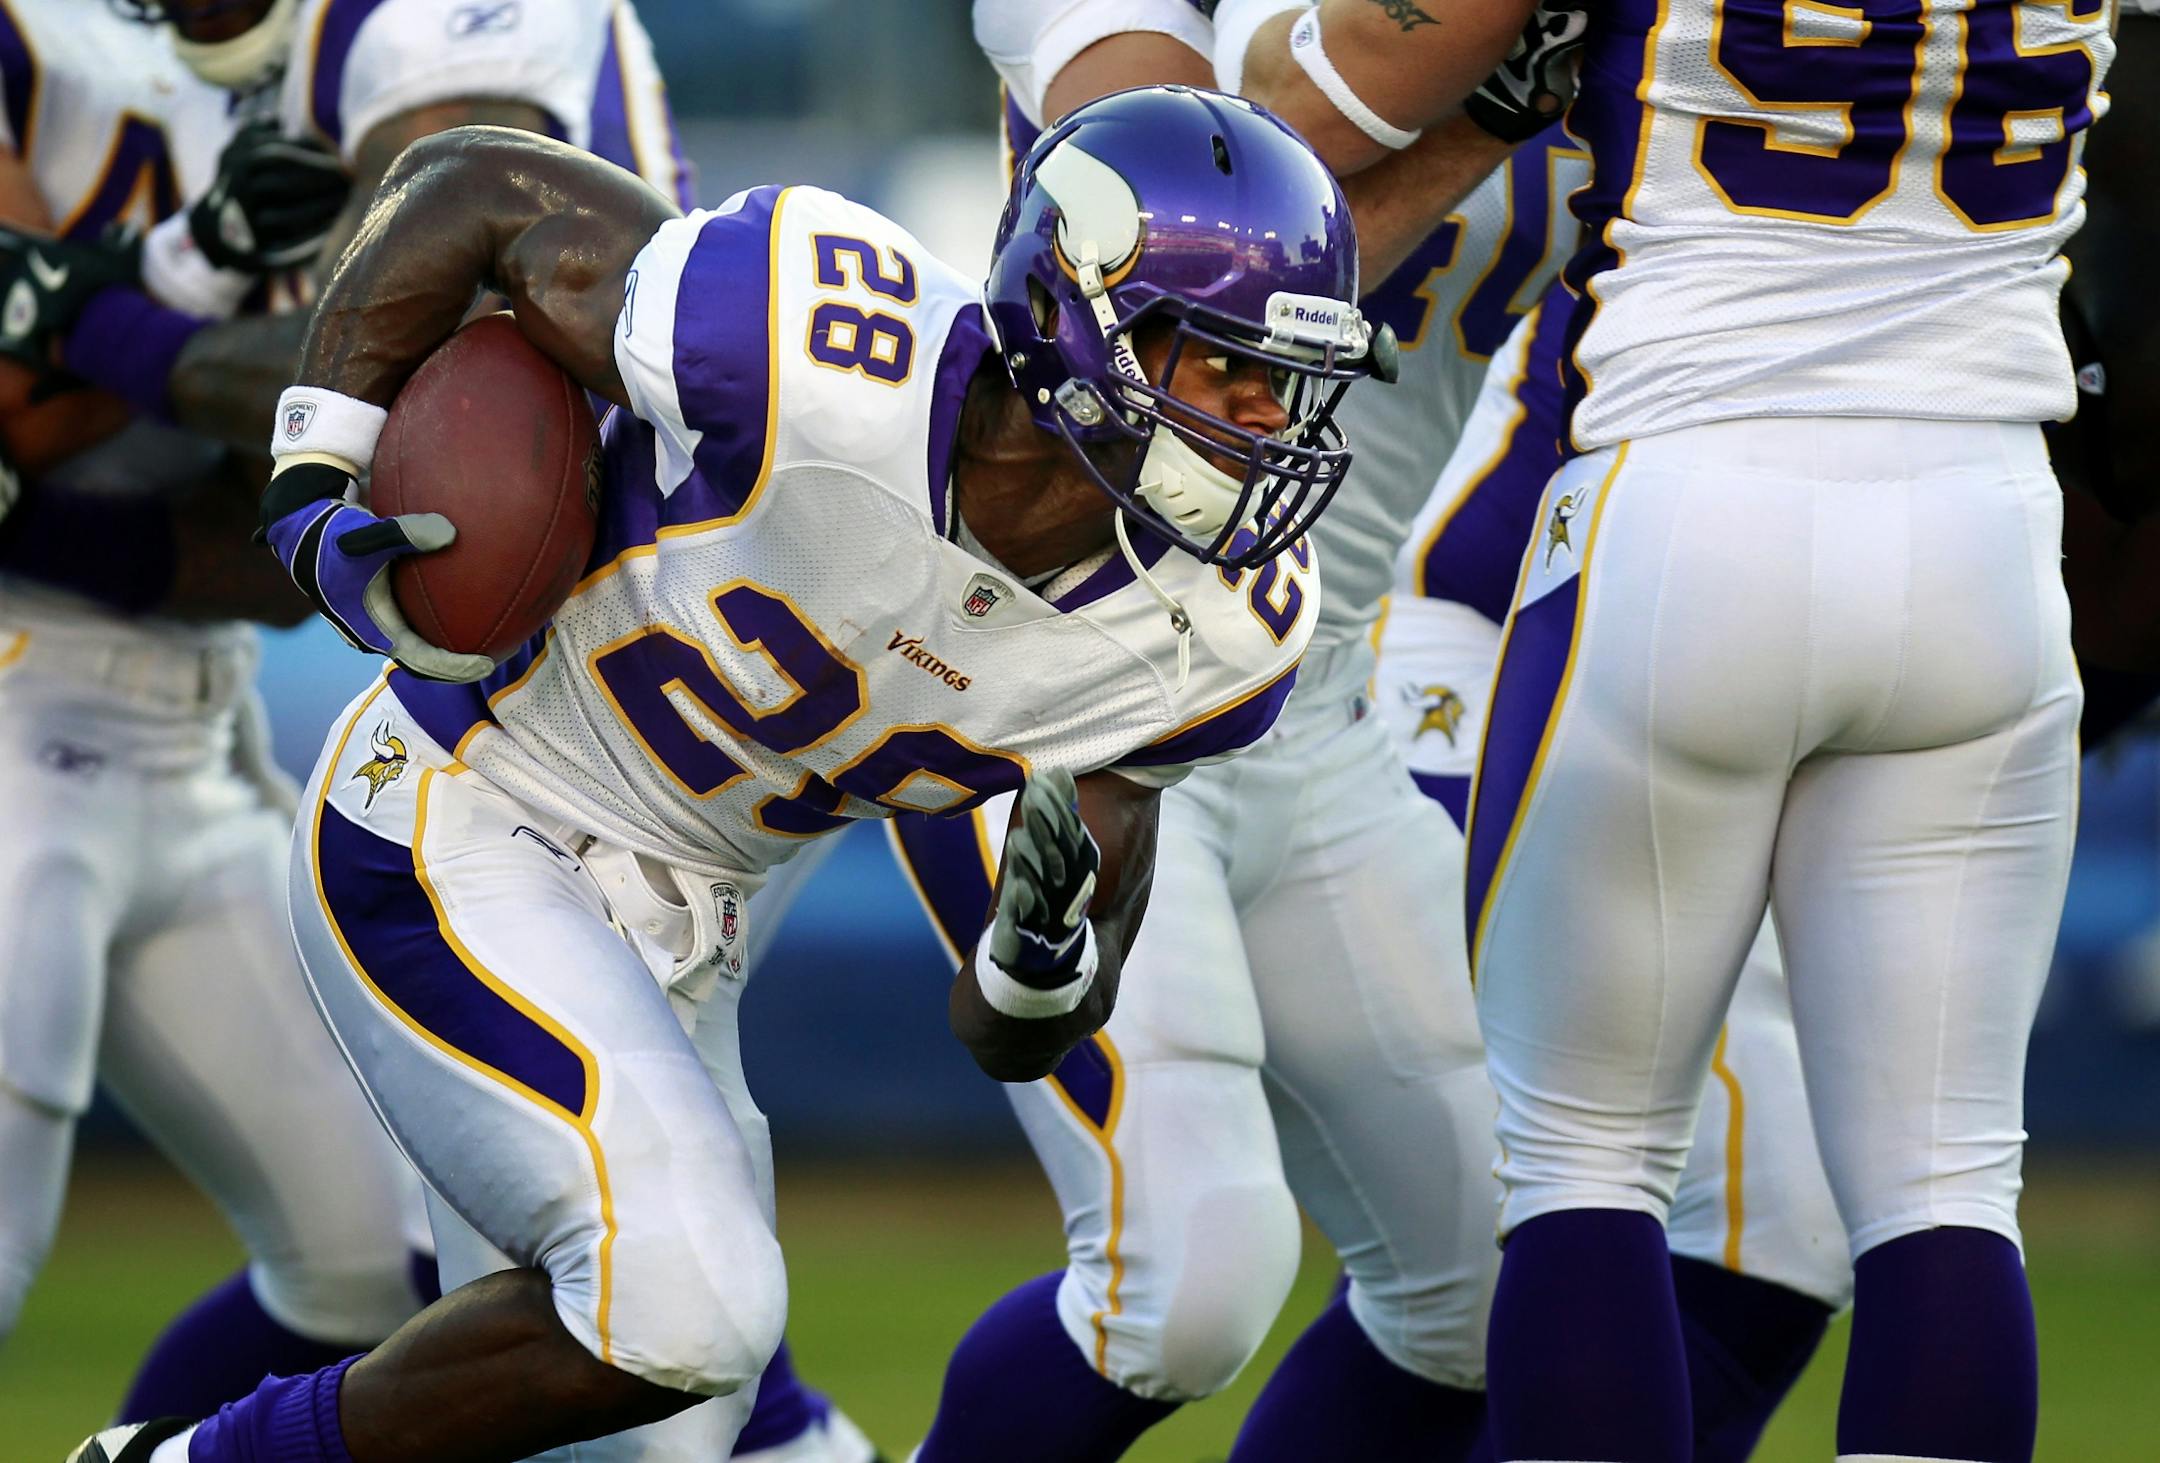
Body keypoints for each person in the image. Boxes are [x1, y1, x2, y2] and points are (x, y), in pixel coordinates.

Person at [71, 85, 1387, 1463]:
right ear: (1077, 313)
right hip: (460, 815)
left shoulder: (1215, 628)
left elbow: (1013, 1030)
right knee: (685, 1311)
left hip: (683, 929)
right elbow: (471, 189)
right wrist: (318, 459)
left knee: (675, 1402)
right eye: (1229, 363)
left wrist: (1044, 954)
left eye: (1289, 382)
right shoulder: (816, 341)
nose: (1267, 417)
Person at [1238, 2, 2108, 1459]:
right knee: (1947, 1185)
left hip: (1695, 500)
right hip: (1988, 526)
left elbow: (1309, 106)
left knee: (1583, 1165)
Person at [891, 4, 1571, 1459]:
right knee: (1182, 1287)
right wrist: (1474, 113)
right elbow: (1208, 243)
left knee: (1493, 1289)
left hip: (1310, 695)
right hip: (1071, 675)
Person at [0, 0, 435, 1424]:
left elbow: (293, 515)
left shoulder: (340, 67)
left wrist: (108, 320)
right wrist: (196, 270)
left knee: (376, 1271)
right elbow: (14, 395)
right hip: (15, 709)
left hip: (191, 728)